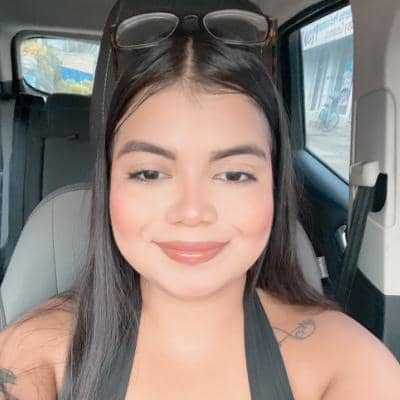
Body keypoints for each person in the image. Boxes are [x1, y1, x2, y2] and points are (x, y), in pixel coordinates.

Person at [1, 2, 400, 400]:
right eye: (149, 173)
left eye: (234, 175)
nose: (192, 212)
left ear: (273, 186)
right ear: (109, 185)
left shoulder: (344, 361)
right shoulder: (36, 353)